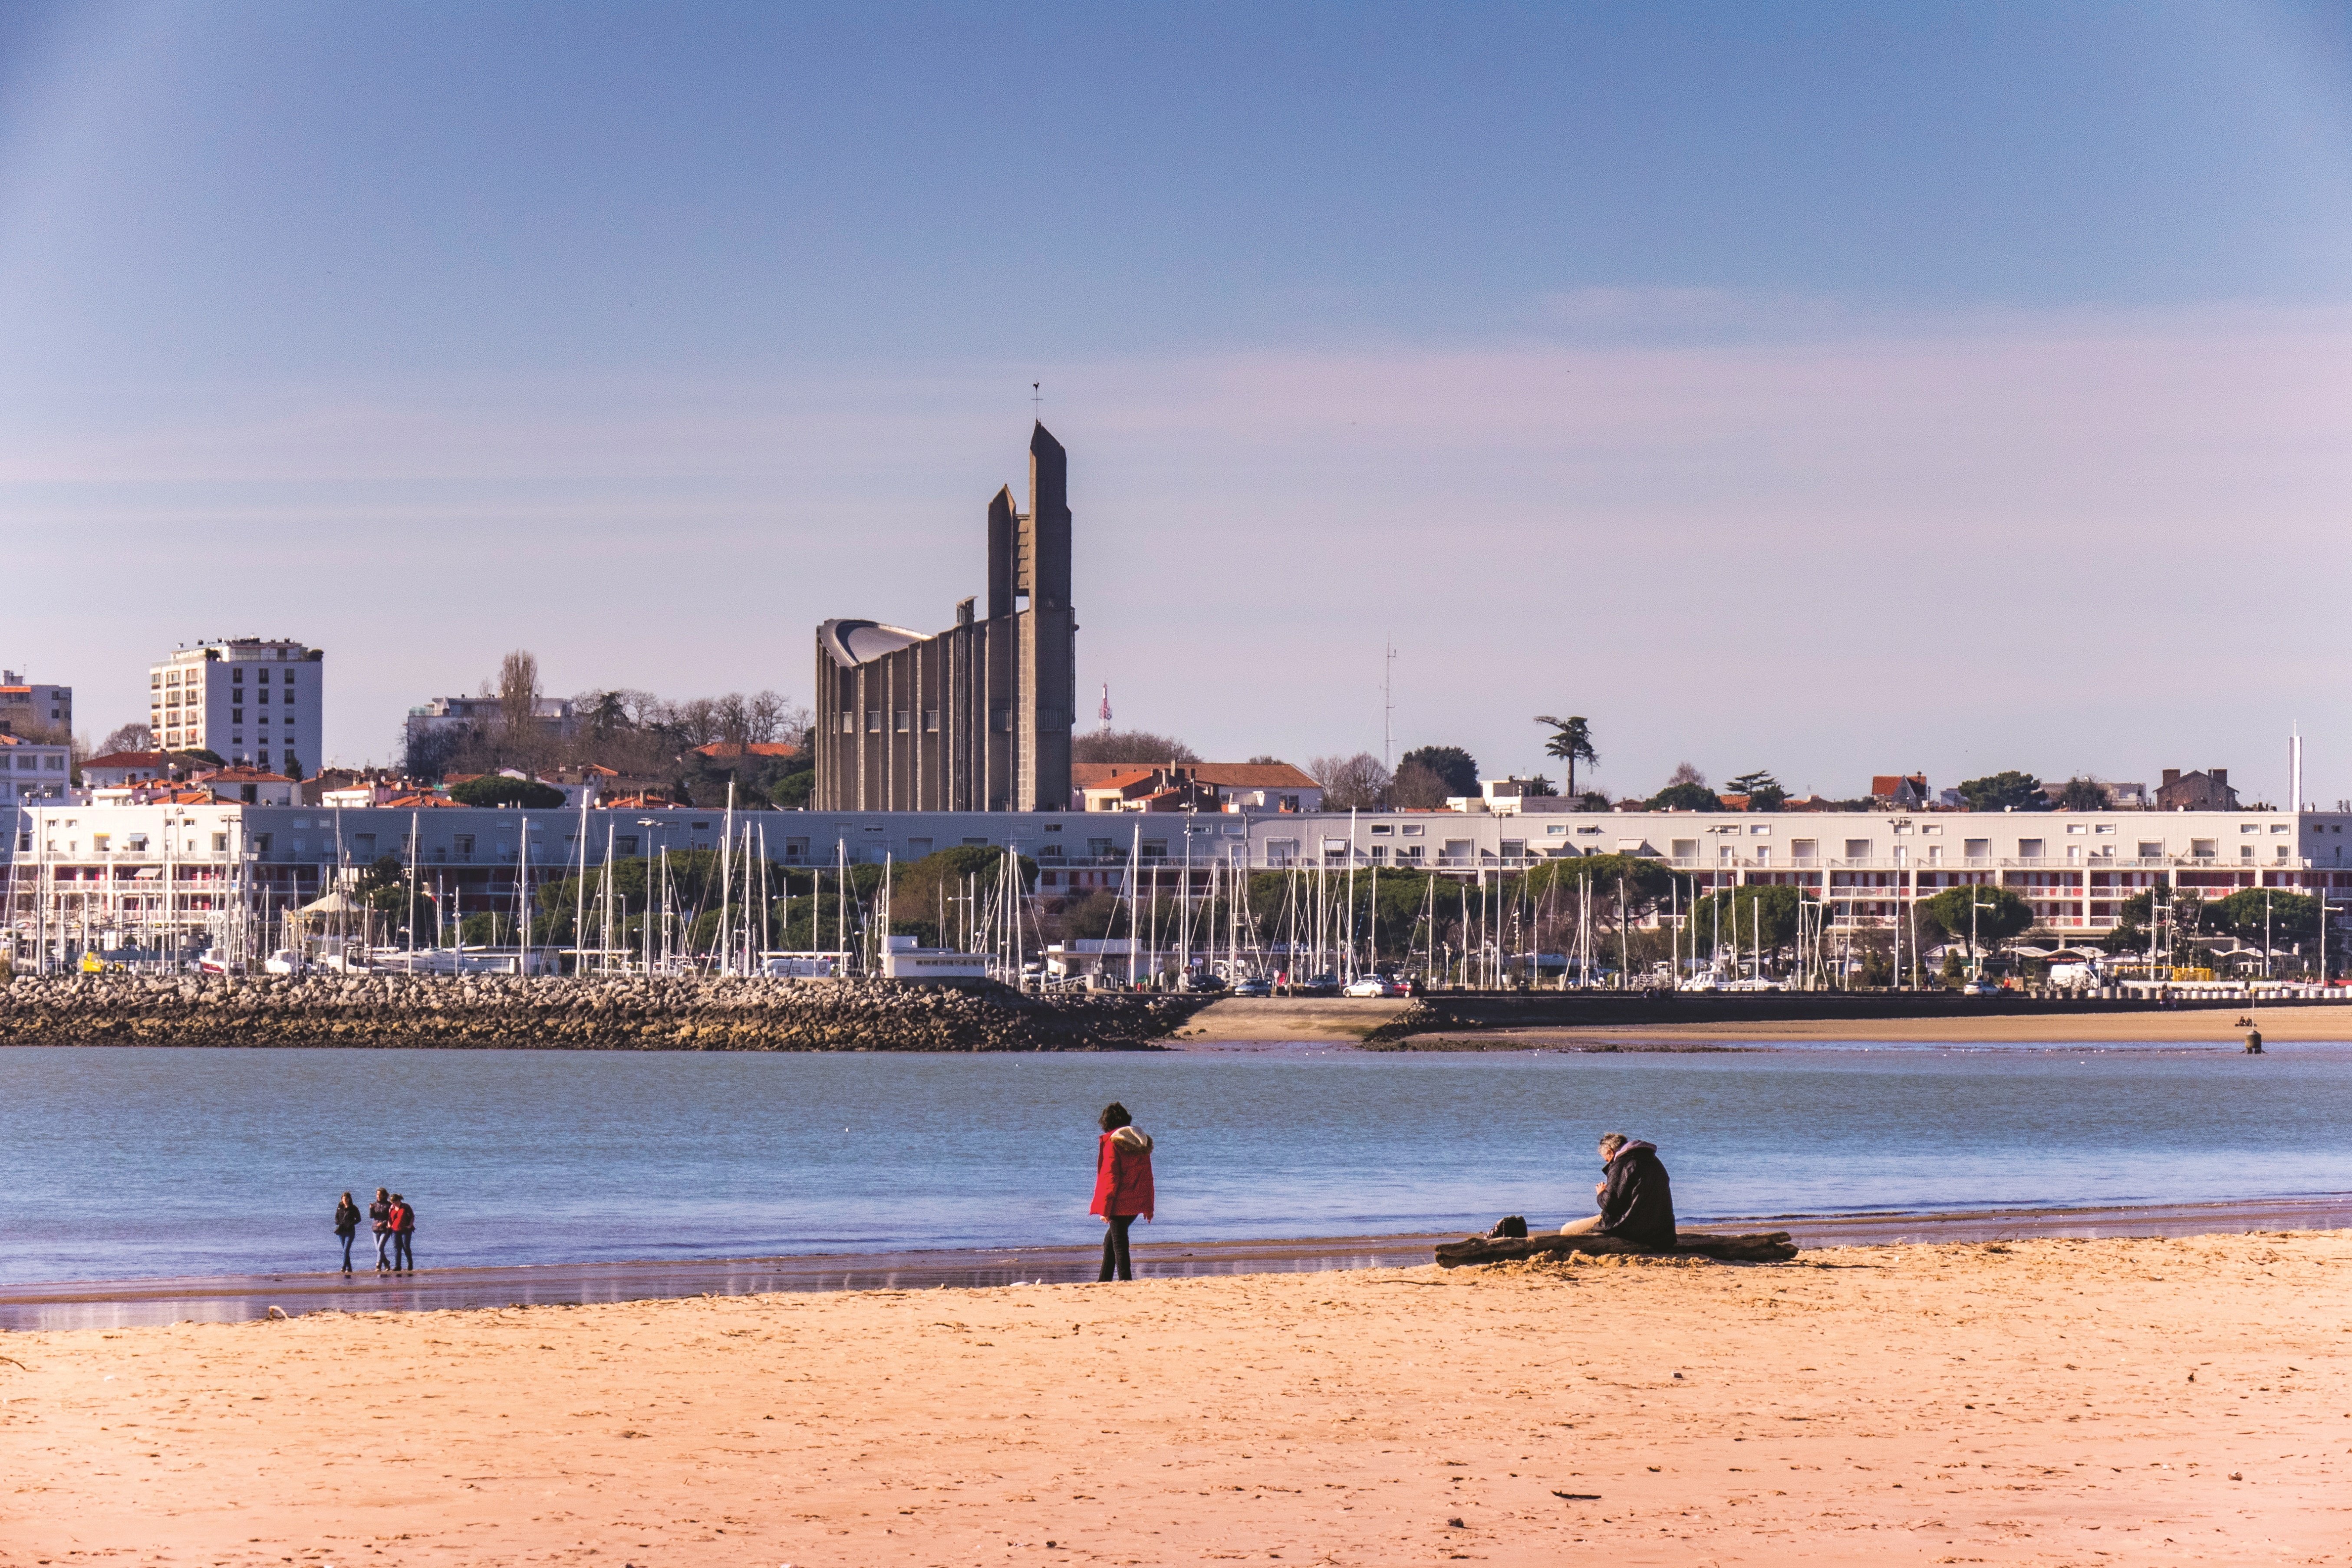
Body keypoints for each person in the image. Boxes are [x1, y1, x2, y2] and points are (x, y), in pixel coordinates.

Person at [1558, 1132, 1677, 1248]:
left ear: (1610, 1152)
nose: (1608, 1163)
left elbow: (1610, 1205)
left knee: (1567, 1230)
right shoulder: (1655, 1161)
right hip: (1663, 1232)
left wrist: (1601, 1194)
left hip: (1633, 1230)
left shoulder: (1621, 1164)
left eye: (1607, 1160)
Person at [1089, 1102, 1155, 1282]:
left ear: (1107, 1123)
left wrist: (1105, 1209)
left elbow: (1110, 1179)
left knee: (1119, 1244)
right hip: (1135, 1203)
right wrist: (1148, 1206)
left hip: (1119, 1203)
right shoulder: (1141, 1142)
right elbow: (1148, 1177)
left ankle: (1126, 1281)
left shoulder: (1113, 1144)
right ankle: (1104, 1281)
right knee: (1111, 1242)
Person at [333, 1191, 361, 1275]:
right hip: (341, 1232)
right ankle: (349, 1268)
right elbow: (337, 1217)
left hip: (350, 1232)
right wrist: (338, 1222)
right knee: (346, 1251)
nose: (344, 1200)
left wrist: (351, 1223)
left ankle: (344, 1267)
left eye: (346, 1199)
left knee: (346, 1250)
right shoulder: (340, 1207)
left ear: (349, 1199)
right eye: (343, 1199)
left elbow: (359, 1219)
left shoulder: (354, 1208)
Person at [369, 1187, 394, 1274]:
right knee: (378, 1248)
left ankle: (378, 1265)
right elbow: (372, 1217)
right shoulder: (375, 1204)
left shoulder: (389, 1205)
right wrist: (371, 1209)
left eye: (380, 1195)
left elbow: (391, 1218)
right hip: (375, 1228)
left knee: (380, 1247)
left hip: (385, 1229)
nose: (378, 1196)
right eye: (377, 1195)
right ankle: (386, 1263)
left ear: (384, 1195)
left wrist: (383, 1223)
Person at [389, 1193, 417, 1273]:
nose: (393, 1204)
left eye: (394, 1202)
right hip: (395, 1230)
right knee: (397, 1248)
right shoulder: (392, 1208)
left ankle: (410, 1264)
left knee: (406, 1247)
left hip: (406, 1230)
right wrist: (389, 1225)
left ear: (399, 1200)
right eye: (392, 1202)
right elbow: (390, 1218)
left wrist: (410, 1225)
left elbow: (412, 1216)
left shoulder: (406, 1207)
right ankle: (398, 1266)